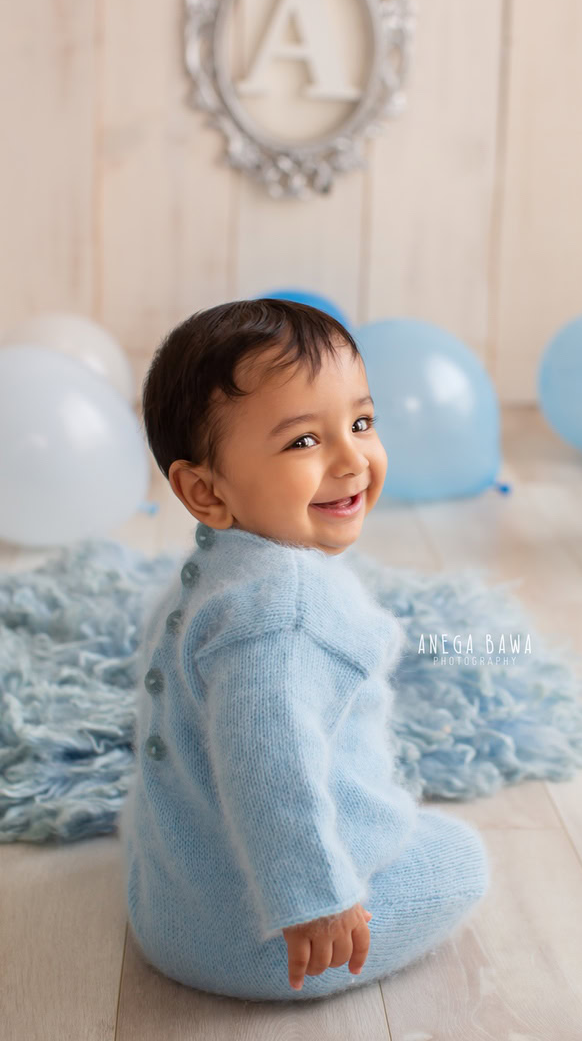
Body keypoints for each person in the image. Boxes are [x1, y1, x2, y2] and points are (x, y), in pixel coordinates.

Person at [118, 297, 490, 1000]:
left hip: (166, 912)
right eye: (303, 442)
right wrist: (314, 899)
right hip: (270, 943)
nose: (352, 459)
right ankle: (309, 913)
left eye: (360, 422)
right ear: (205, 490)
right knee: (461, 859)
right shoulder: (284, 615)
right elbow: (270, 764)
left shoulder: (217, 574)